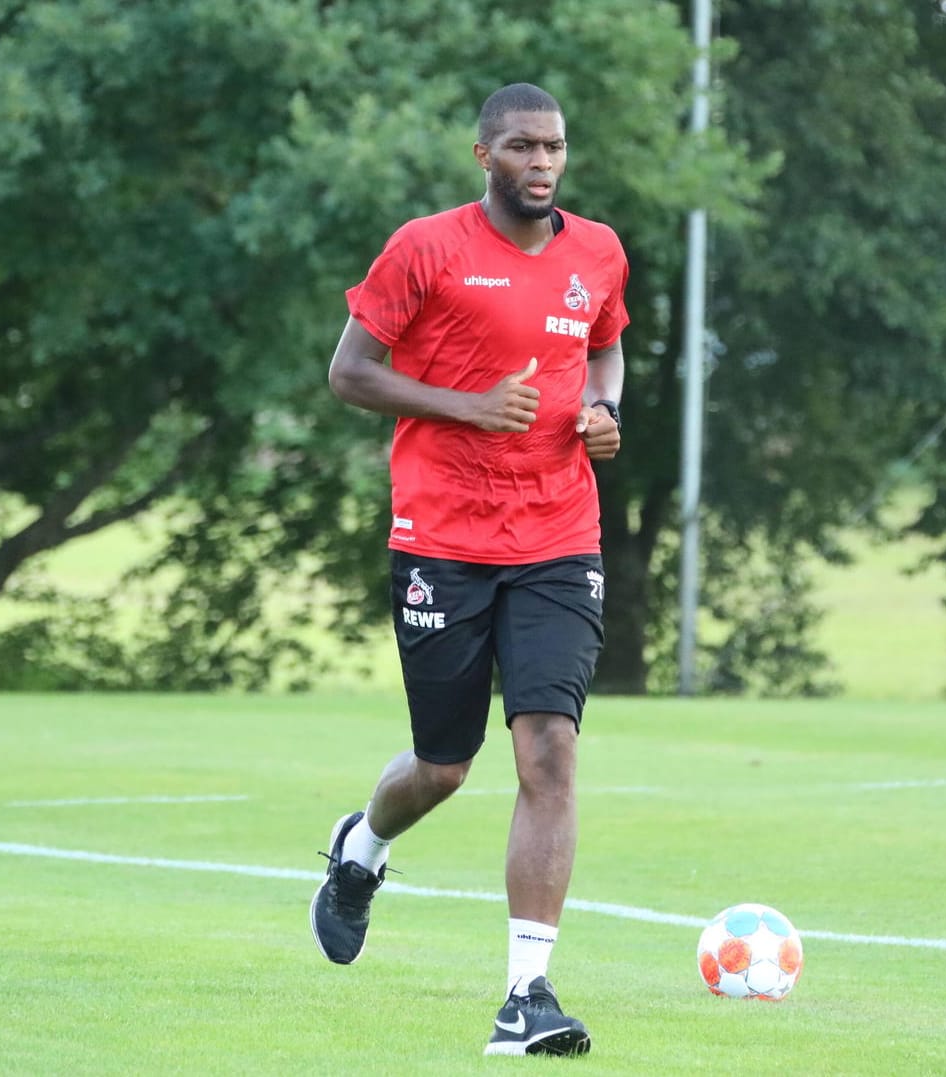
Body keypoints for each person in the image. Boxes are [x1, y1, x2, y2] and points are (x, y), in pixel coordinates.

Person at [312, 81, 628, 1058]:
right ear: (484, 155)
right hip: (442, 539)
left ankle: (524, 996)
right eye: (524, 147)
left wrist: (603, 412)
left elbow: (605, 350)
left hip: (558, 537)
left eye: (555, 148)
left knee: (549, 751)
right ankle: (360, 851)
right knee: (444, 767)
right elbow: (348, 371)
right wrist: (463, 405)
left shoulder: (598, 252)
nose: (543, 163)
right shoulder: (426, 249)